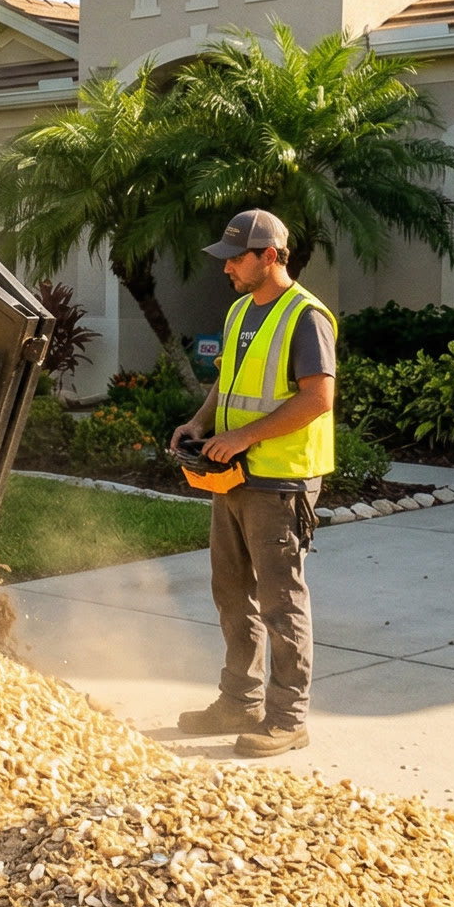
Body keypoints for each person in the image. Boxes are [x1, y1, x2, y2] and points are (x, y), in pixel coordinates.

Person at [168, 209, 336, 758]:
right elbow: (228, 382)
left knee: (280, 601)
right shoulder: (242, 310)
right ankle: (239, 700)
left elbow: (316, 399)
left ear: (270, 256)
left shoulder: (307, 317)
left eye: (236, 258)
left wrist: (243, 438)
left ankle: (288, 718)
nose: (227, 269)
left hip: (281, 483)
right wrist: (200, 423)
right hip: (234, 477)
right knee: (230, 593)